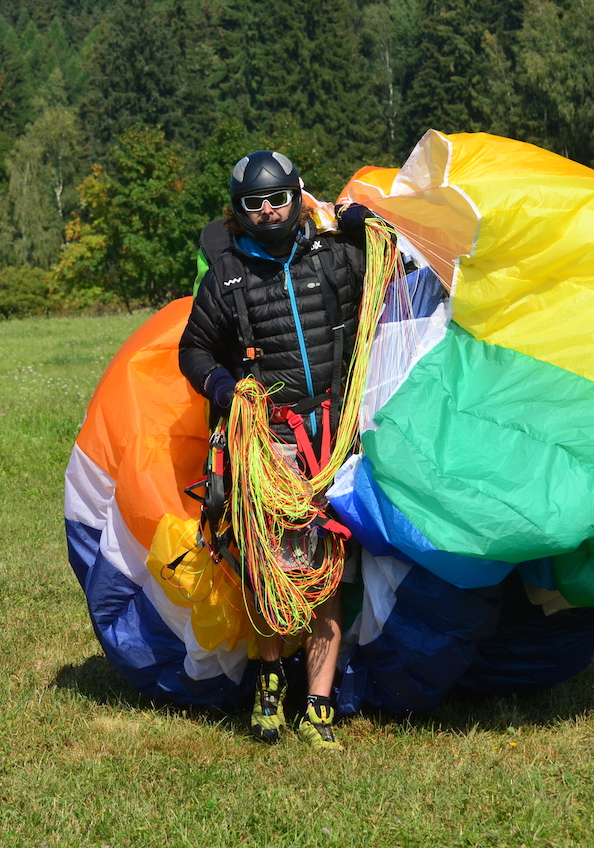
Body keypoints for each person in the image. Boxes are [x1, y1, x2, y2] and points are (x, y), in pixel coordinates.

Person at [179, 151, 371, 751]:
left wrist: (355, 220)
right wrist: (225, 390)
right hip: (270, 444)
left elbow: (392, 265)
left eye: (278, 200)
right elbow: (195, 352)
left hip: (335, 438)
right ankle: (269, 682)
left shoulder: (334, 256)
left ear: (296, 197)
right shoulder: (226, 277)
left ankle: (317, 706)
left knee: (326, 573)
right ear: (237, 212)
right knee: (270, 568)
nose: (267, 211)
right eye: (253, 205)